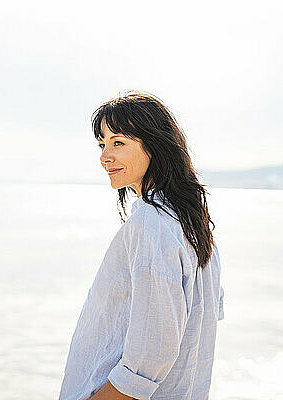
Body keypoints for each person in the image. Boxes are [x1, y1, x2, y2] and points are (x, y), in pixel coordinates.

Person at [58, 90, 225, 400]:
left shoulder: (152, 223)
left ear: (154, 144)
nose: (105, 156)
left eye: (118, 142)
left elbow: (151, 353)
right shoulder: (194, 225)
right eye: (102, 144)